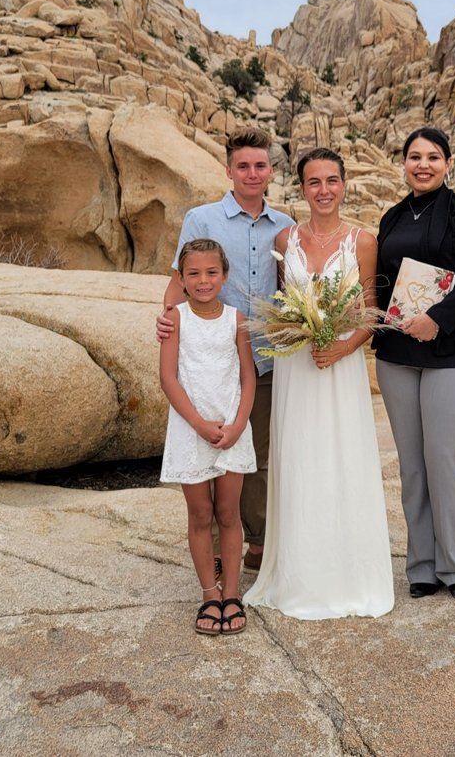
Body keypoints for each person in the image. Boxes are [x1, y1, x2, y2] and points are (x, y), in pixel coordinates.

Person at [244, 148, 394, 619]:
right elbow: (283, 305)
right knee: (298, 459)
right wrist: (294, 333)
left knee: (341, 458)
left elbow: (372, 310)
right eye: (314, 182)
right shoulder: (285, 239)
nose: (324, 190)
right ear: (302, 188)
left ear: (344, 185)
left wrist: (343, 348)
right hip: (296, 366)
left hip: (340, 366)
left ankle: (348, 575)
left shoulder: (363, 241)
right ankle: (298, 573)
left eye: (332, 180)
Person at [158, 127, 295, 575]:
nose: (252, 173)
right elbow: (181, 279)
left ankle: (256, 543)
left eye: (260, 166)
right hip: (210, 361)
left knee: (257, 457)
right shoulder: (202, 219)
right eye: (243, 166)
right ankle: (215, 551)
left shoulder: (285, 227)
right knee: (210, 452)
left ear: (270, 171)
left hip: (266, 357)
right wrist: (167, 320)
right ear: (229, 170)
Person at [372, 127, 455, 600]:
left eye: (433, 157)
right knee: (412, 467)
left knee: (445, 460)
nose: (423, 165)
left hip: (454, 352)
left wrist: (436, 320)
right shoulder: (392, 216)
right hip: (398, 355)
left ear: (448, 163)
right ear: (403, 162)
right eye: (414, 157)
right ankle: (422, 566)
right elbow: (382, 282)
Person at [159, 238, 258, 635]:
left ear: (225, 275)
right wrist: (199, 424)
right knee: (200, 514)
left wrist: (238, 425)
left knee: (228, 514)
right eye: (194, 274)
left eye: (212, 272)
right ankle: (209, 594)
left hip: (232, 428)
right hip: (191, 429)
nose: (203, 281)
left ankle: (231, 593)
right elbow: (168, 378)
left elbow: (248, 377)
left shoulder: (236, 318)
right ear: (181, 279)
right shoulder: (176, 319)